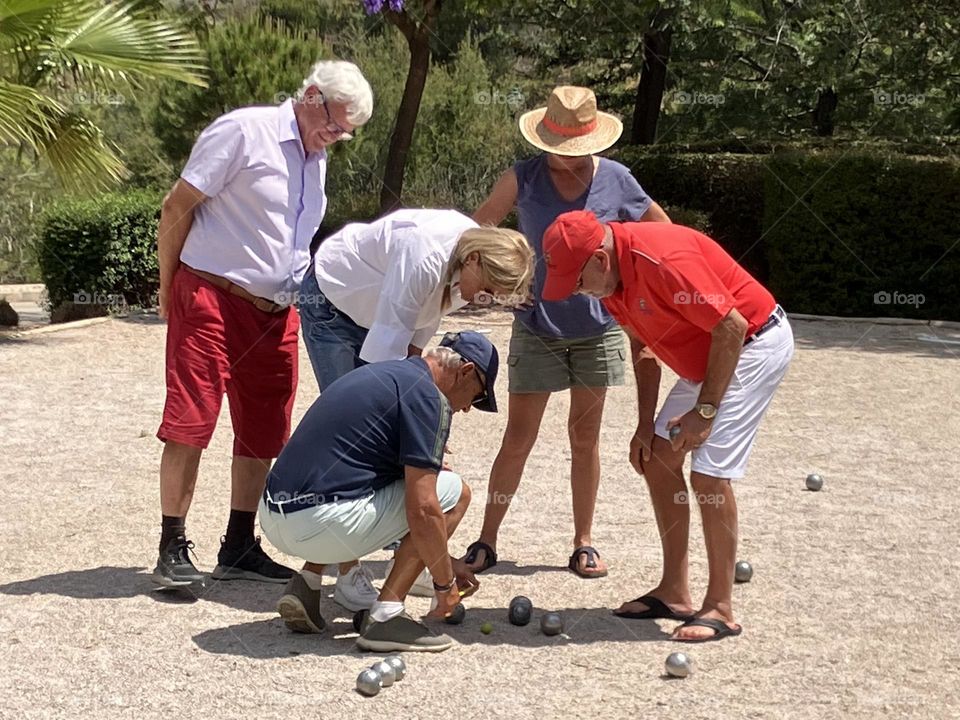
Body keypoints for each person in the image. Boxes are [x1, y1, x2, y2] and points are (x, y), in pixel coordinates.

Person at [151, 60, 373, 588]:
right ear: (311, 95)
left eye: (346, 133)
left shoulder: (316, 159)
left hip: (277, 313)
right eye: (334, 124)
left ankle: (238, 544)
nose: (336, 138)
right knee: (191, 421)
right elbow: (175, 207)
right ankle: (171, 544)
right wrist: (168, 286)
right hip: (211, 295)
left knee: (264, 431)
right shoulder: (243, 131)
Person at [541, 210, 795, 642]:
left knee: (709, 474)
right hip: (708, 360)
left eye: (577, 280)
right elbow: (643, 350)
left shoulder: (662, 261)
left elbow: (731, 327)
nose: (577, 292)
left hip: (753, 343)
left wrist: (706, 412)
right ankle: (674, 591)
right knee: (657, 456)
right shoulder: (610, 284)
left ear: (600, 259)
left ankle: (720, 607)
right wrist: (645, 424)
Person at [461, 85, 670, 579]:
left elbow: (664, 233)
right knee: (517, 438)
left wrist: (636, 287)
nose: (560, 157)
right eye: (554, 146)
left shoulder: (619, 180)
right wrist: (501, 288)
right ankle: (487, 539)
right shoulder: (522, 178)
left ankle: (583, 543)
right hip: (537, 326)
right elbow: (473, 236)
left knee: (585, 439)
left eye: (570, 148)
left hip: (598, 330)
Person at [296, 209, 534, 610]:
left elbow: (414, 346)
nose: (486, 300)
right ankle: (347, 570)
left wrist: (423, 426)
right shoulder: (424, 257)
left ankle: (409, 558)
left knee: (391, 443)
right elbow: (385, 369)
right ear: (474, 259)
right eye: (489, 288)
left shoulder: (464, 269)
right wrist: (415, 429)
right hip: (333, 301)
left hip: (378, 313)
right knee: (356, 434)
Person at [260, 332, 497, 652]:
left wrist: (445, 558)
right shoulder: (429, 397)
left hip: (275, 515)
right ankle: (387, 615)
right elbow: (424, 510)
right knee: (454, 491)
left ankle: (307, 582)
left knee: (366, 478)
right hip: (318, 524)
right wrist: (445, 583)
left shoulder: (387, 373)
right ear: (465, 371)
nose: (469, 408)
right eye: (477, 396)